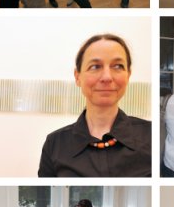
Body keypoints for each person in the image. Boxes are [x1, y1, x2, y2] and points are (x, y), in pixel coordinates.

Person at [38, 34, 151, 177]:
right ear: (77, 77)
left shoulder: (151, 135)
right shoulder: (55, 144)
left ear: (128, 75)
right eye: (95, 66)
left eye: (118, 66)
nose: (107, 77)